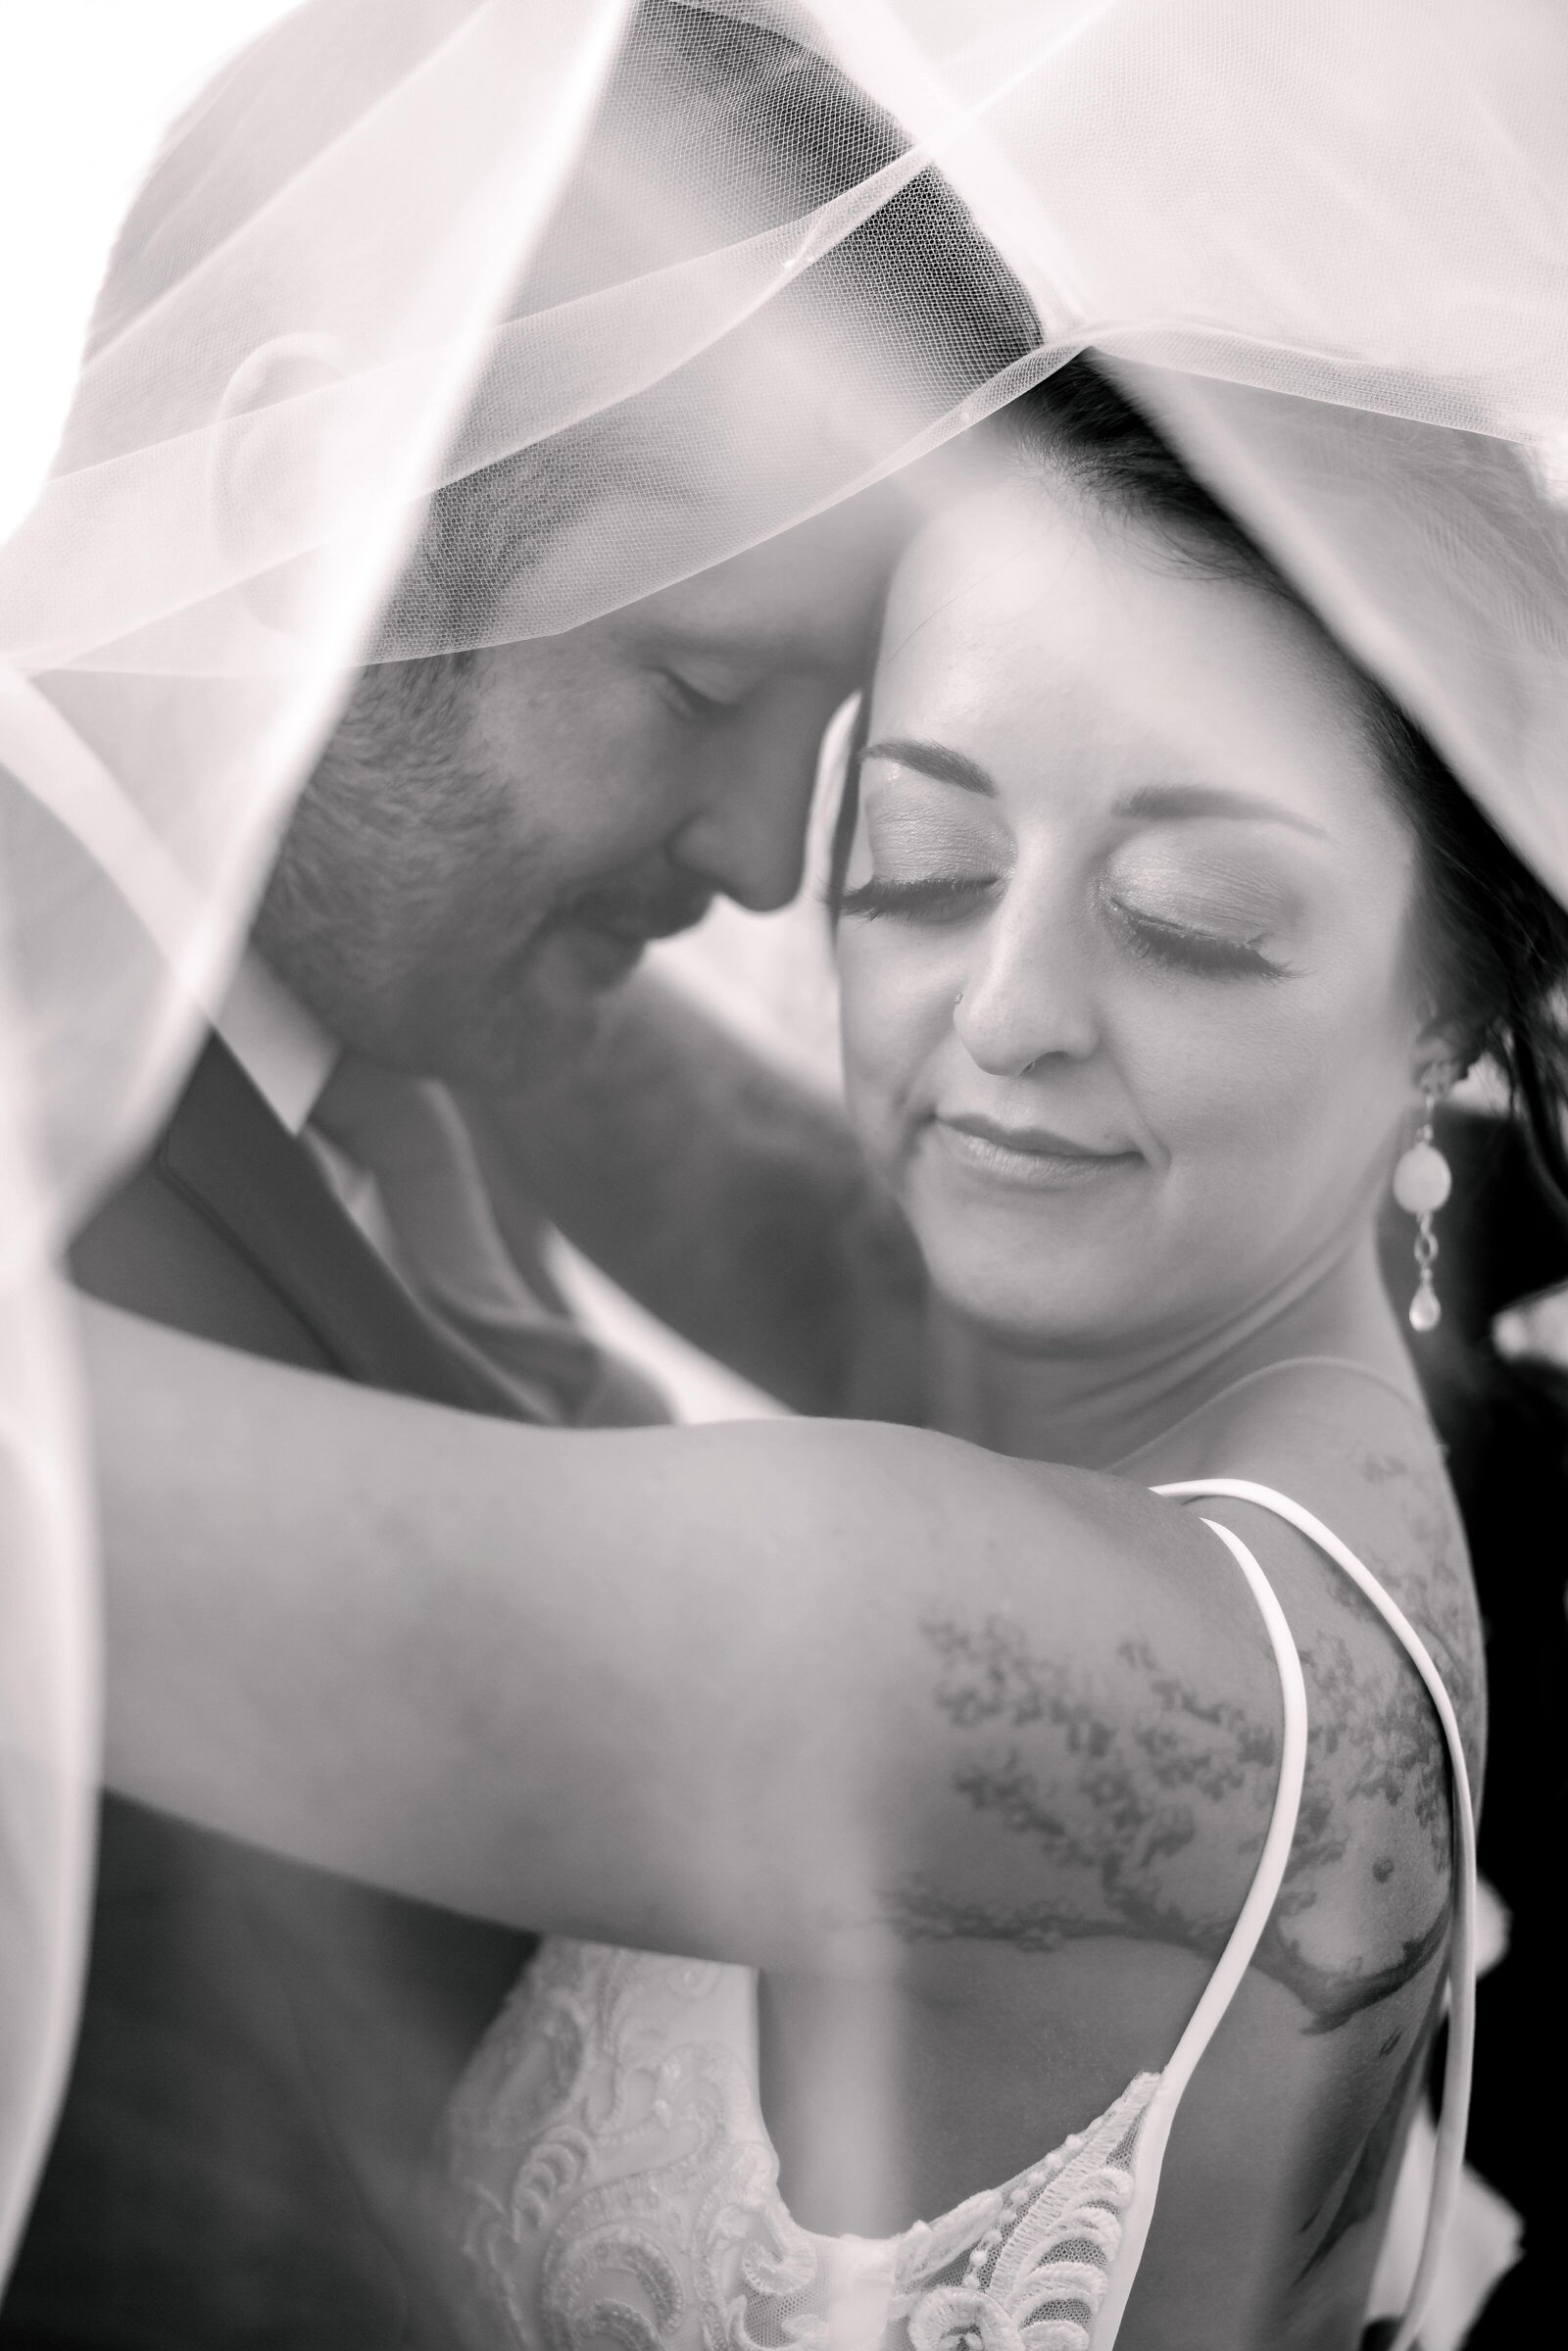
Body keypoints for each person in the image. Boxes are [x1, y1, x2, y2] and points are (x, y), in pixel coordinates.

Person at [79, 355, 1568, 2351]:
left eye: (1188, 917)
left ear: (1451, 1014)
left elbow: (61, 1507)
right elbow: (518, 989)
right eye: (921, 863)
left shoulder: (1021, 1669)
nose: (1006, 1015)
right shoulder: (1233, 1397)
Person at [0, 8, 1037, 2345]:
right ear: (299, 503)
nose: (773, 859)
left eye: (828, 720)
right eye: (692, 684)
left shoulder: (382, 1030)